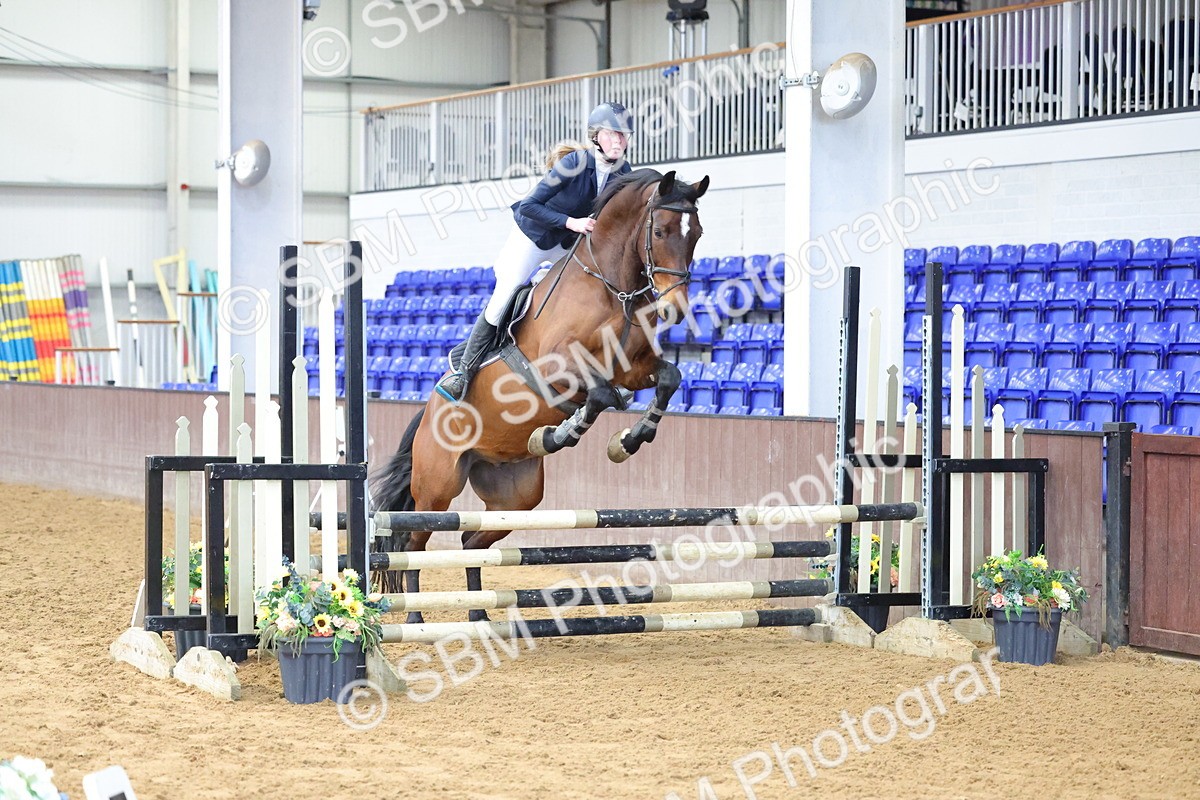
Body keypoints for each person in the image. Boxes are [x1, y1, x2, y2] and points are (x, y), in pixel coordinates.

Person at [435, 101, 636, 403]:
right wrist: (572, 222)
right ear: (596, 136)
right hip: (532, 237)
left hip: (567, 246)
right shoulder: (574, 163)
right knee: (506, 293)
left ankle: (607, 373)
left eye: (624, 135)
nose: (619, 141)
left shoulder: (625, 173)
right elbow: (530, 205)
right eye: (613, 134)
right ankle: (464, 372)